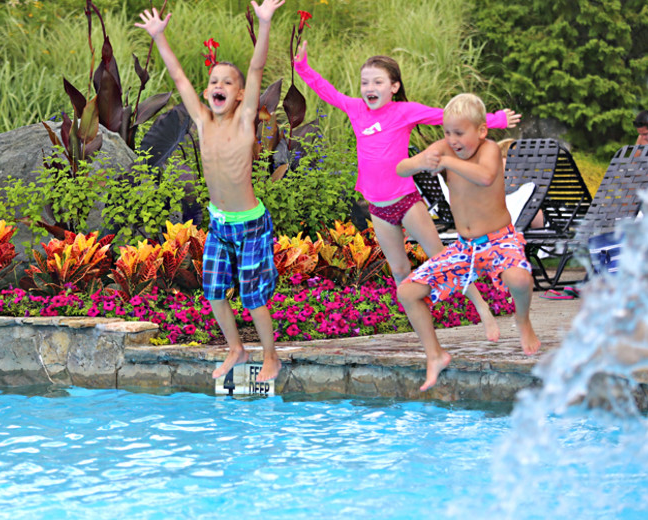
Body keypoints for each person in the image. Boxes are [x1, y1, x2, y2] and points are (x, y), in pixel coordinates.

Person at [293, 41, 521, 342]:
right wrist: (302, 68)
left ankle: (483, 310)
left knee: (440, 257)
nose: (369, 87)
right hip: (377, 206)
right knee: (400, 271)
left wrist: (495, 120)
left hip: (405, 201)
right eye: (365, 82)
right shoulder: (355, 109)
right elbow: (329, 92)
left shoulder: (405, 112)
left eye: (377, 81)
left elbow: (449, 118)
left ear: (394, 87)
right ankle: (423, 333)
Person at [136, 0, 285, 382]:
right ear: (208, 93)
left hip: (251, 224)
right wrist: (159, 37)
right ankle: (236, 348)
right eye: (214, 81)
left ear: (239, 96)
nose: (219, 85)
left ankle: (271, 356)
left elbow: (255, 69)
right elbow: (181, 80)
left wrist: (264, 23)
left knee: (252, 297)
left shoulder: (244, 121)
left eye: (227, 82)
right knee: (215, 291)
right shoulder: (202, 122)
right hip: (220, 224)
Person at [396, 93, 540, 391]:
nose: (452, 139)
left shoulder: (487, 151)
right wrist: (419, 161)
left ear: (482, 131)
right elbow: (401, 169)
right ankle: (435, 355)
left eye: (459, 133)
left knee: (520, 280)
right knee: (407, 292)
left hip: (499, 241)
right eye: (447, 132)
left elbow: (486, 177)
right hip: (464, 248)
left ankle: (523, 320)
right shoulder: (446, 147)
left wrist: (446, 160)